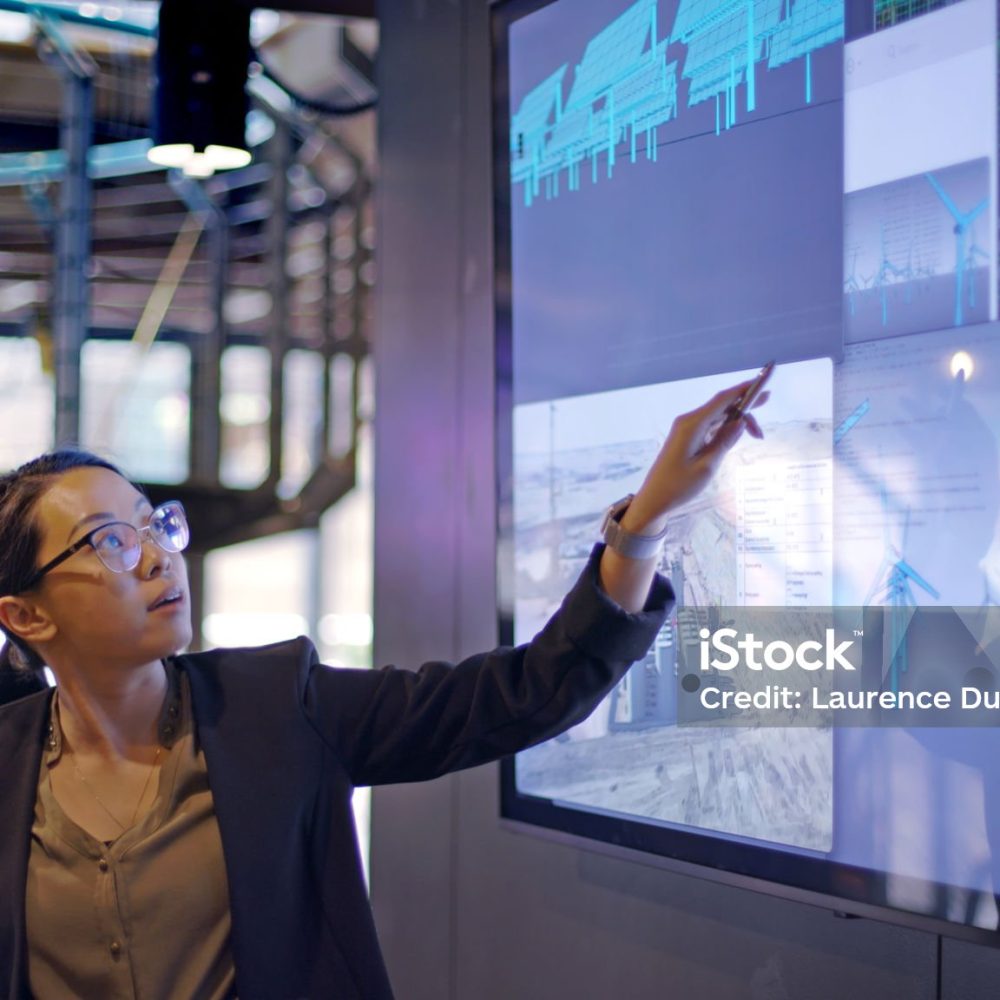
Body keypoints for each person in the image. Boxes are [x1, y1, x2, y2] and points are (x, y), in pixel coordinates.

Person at [0, 380, 764, 999]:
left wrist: (645, 521)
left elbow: (527, 691)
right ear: (25, 614)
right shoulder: (11, 766)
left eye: (156, 526)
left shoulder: (278, 709)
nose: (157, 559)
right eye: (110, 542)